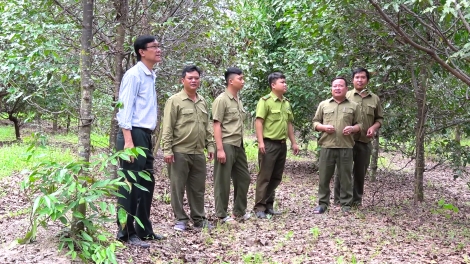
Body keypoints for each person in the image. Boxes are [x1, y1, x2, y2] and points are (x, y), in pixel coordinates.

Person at [115, 35, 163, 248]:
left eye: (158, 46)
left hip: (145, 134)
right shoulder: (133, 75)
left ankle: (144, 229)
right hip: (133, 135)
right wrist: (128, 142)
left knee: (146, 184)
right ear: (142, 52)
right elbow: (124, 109)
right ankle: (126, 232)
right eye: (154, 47)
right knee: (130, 186)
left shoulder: (150, 74)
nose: (158, 50)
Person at [161, 65, 215, 231]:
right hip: (179, 152)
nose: (194, 81)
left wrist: (210, 145)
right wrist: (167, 149)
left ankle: (199, 218)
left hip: (198, 152)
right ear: (182, 80)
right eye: (190, 78)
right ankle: (181, 219)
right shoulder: (174, 101)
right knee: (177, 187)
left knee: (198, 188)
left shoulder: (203, 101)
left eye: (196, 78)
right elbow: (168, 126)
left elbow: (207, 126)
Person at [334, 68, 384, 207]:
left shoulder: (374, 99)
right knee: (342, 171)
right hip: (347, 141)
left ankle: (356, 200)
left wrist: (373, 128)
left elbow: (379, 119)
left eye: (363, 77)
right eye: (357, 77)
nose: (360, 80)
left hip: (364, 142)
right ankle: (339, 199)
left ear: (367, 80)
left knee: (360, 172)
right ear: (352, 80)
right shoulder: (346, 96)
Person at [312, 77, 362, 214]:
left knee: (346, 177)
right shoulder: (324, 105)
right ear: (331, 89)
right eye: (335, 86)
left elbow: (360, 124)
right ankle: (323, 204)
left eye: (341, 86)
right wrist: (323, 127)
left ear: (346, 89)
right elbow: (315, 123)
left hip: (346, 147)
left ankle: (346, 204)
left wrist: (353, 129)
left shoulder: (354, 106)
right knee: (324, 177)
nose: (337, 88)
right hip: (327, 146)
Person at [253, 72, 299, 219]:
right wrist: (260, 142)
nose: (285, 84)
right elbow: (259, 122)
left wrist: (294, 142)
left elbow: (289, 123)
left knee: (276, 177)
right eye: (282, 82)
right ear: (273, 85)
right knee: (265, 176)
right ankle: (259, 207)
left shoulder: (286, 103)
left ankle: (268, 205)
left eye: (285, 82)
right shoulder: (265, 101)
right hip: (269, 144)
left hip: (281, 144)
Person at [212, 67, 251, 224]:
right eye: (240, 78)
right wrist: (220, 149)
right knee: (222, 180)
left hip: (238, 144)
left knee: (244, 178)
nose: (243, 81)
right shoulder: (221, 100)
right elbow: (216, 125)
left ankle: (239, 211)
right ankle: (221, 214)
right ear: (231, 81)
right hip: (226, 144)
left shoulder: (237, 100)